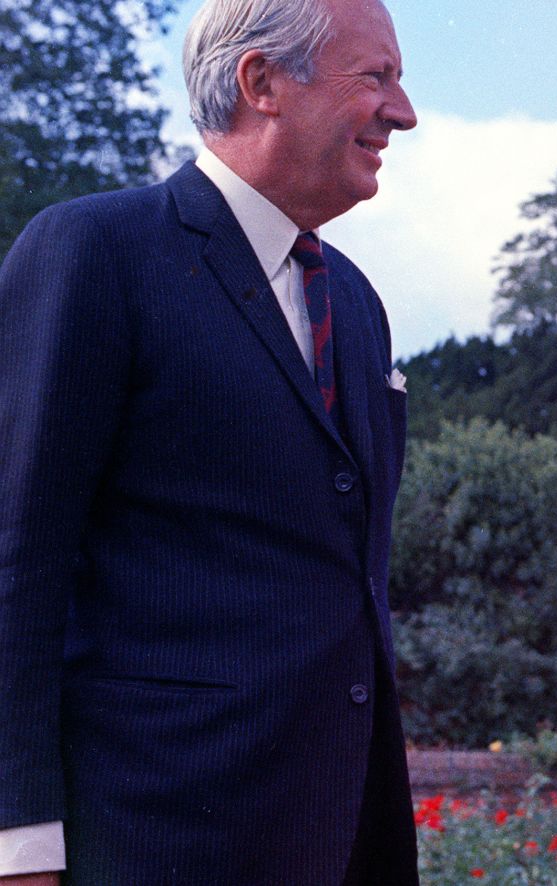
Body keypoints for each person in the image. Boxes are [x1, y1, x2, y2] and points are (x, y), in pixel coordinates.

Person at [0, 0, 418, 881]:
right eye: (375, 76)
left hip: (339, 845)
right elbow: (16, 560)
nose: (403, 111)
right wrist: (18, 842)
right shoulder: (94, 252)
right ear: (262, 82)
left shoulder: (359, 303)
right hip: (147, 843)